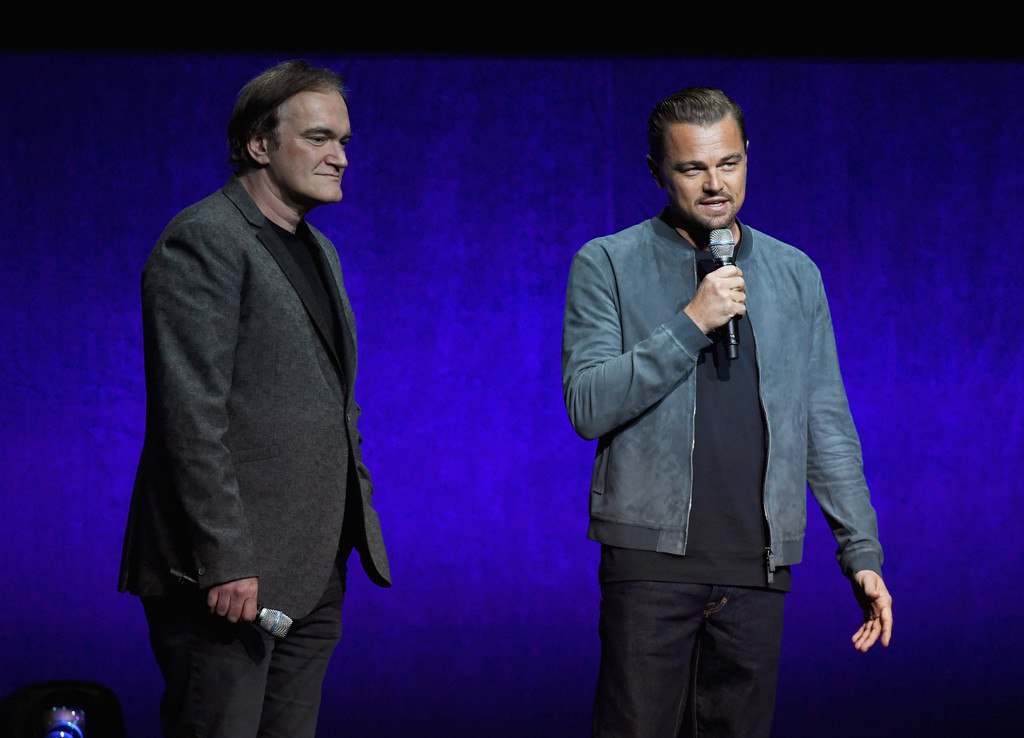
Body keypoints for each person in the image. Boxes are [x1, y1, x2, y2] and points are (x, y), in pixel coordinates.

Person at [560, 86, 893, 737]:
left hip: (756, 572)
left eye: (729, 163)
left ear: (747, 157)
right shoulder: (607, 263)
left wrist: (861, 551)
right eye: (692, 168)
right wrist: (692, 322)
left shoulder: (795, 274)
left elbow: (825, 424)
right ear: (657, 171)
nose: (716, 184)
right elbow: (588, 404)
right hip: (651, 568)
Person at [118, 59, 391, 738]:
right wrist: (226, 560)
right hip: (227, 577)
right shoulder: (205, 239)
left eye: (344, 141)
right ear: (258, 144)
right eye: (319, 138)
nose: (340, 157)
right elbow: (191, 416)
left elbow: (330, 402)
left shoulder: (319, 250)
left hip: (310, 569)